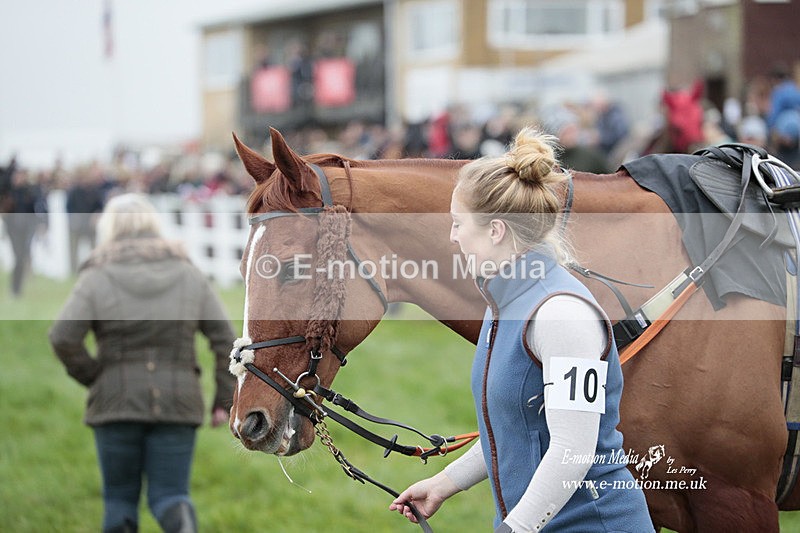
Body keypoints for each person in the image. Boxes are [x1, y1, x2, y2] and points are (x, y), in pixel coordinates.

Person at [389, 127, 654, 532]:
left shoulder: (561, 314)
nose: (452, 237)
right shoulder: (504, 301)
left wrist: (515, 529)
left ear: (496, 230)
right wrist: (443, 484)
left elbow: (573, 449)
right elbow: (514, 429)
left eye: (458, 223)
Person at [49, 193, 236, 533]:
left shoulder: (97, 276)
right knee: (171, 495)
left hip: (115, 403)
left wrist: (94, 376)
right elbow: (225, 339)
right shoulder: (189, 275)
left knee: (119, 500)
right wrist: (224, 399)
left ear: (109, 229)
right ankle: (182, 523)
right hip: (179, 403)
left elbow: (63, 337)